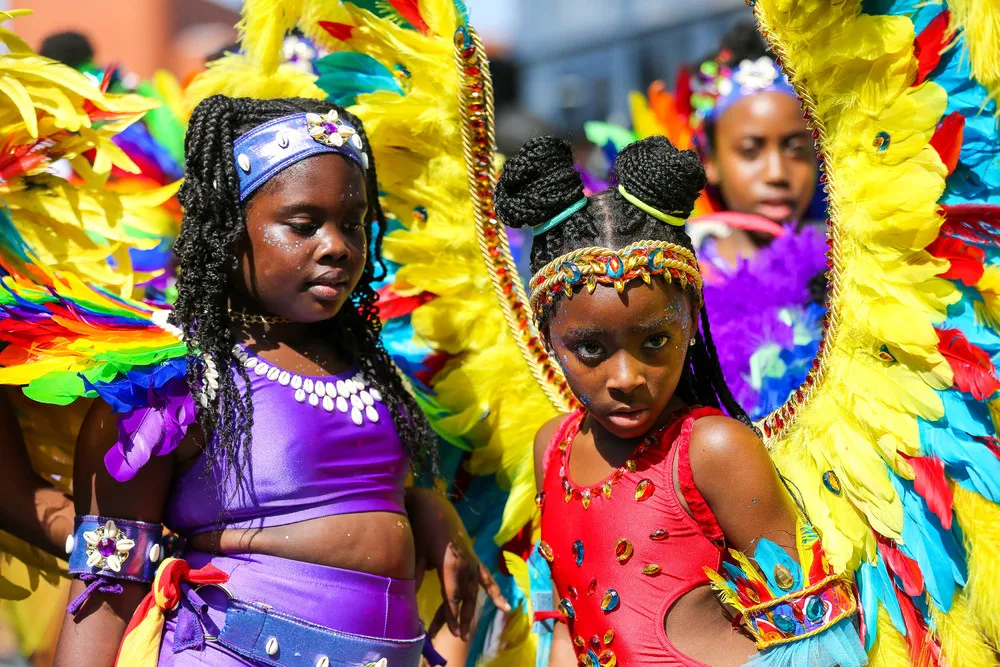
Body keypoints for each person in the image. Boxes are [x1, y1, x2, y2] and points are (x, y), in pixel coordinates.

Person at [0, 94, 510, 667]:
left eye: (354, 224)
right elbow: (104, 595)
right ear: (229, 229)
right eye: (303, 224)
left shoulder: (373, 367)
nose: (338, 246)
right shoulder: (171, 381)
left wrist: (425, 507)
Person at [494, 135, 863, 666]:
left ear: (690, 321)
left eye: (653, 342)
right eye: (591, 348)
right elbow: (565, 632)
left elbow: (815, 643)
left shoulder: (713, 449)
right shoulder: (551, 448)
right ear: (547, 334)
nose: (626, 377)